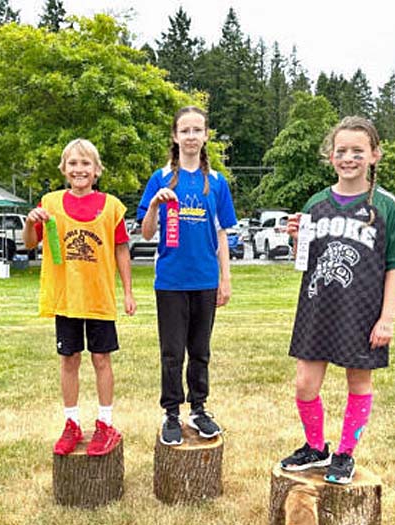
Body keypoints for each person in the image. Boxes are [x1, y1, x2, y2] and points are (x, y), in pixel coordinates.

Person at [280, 116, 395, 484]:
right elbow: (304, 261)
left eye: (357, 151)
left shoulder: (386, 206)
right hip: (317, 309)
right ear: (330, 157)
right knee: (304, 385)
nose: (348, 158)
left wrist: (386, 319)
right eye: (341, 151)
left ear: (375, 155)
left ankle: (344, 454)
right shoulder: (316, 203)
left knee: (358, 382)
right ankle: (315, 447)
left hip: (361, 313)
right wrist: (297, 237)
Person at [22, 139, 135, 457]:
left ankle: (105, 422)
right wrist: (31, 222)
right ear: (64, 169)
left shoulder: (111, 206)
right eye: (73, 163)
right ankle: (71, 423)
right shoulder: (50, 203)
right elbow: (31, 243)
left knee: (102, 359)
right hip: (67, 298)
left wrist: (127, 291)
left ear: (96, 170)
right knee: (69, 360)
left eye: (85, 163)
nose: (79, 169)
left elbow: (121, 249)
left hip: (98, 297)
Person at [137, 106, 237, 446]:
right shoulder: (161, 178)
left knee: (200, 350)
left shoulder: (217, 182)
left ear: (206, 136)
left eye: (198, 130)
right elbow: (147, 233)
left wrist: (226, 278)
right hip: (171, 281)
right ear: (175, 136)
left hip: (205, 279)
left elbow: (222, 233)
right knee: (172, 352)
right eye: (185, 130)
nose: (191, 136)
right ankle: (171, 413)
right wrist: (154, 205)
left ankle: (198, 407)